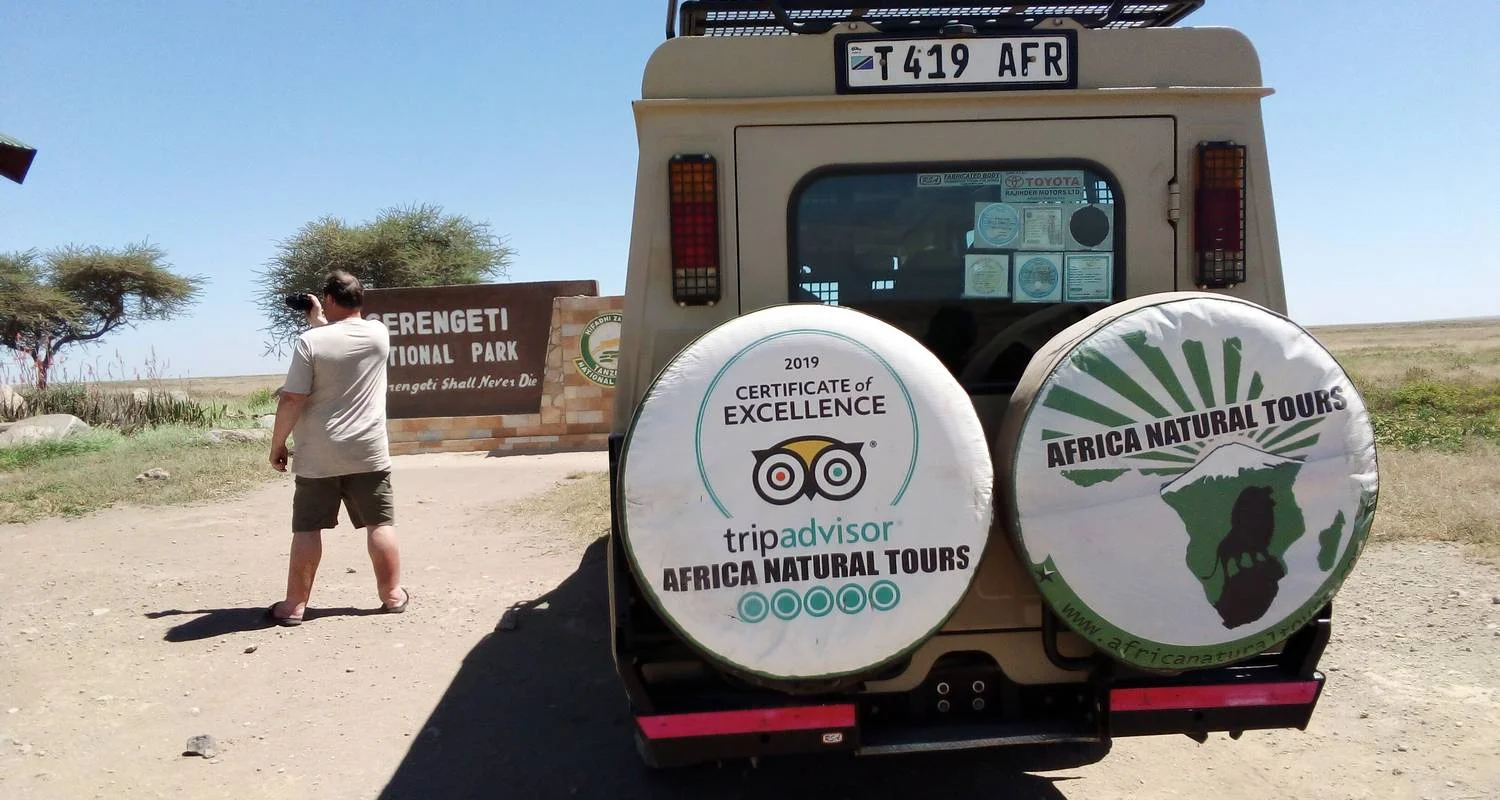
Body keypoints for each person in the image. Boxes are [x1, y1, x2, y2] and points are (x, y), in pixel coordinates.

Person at [267, 270, 409, 625]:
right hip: (368, 450)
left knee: (307, 528)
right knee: (380, 523)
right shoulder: (379, 334)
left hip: (318, 454)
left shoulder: (309, 342)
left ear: (329, 299)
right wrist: (321, 321)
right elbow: (343, 341)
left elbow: (293, 398)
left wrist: (278, 443)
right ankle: (392, 595)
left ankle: (294, 605)